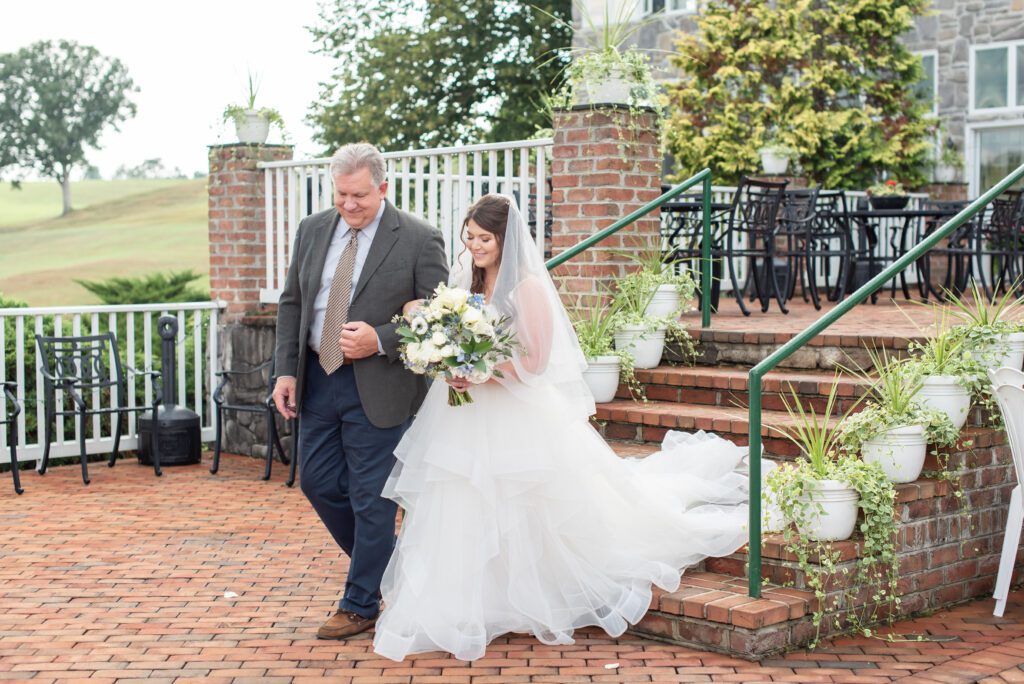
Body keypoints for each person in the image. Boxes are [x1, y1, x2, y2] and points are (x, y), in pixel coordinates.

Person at [372, 194, 753, 662]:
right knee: (462, 497)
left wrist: (482, 369)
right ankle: (471, 597)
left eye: (484, 238)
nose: (474, 246)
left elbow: (535, 362)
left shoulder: (528, 286)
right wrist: (447, 361)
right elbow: (441, 327)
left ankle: (528, 593)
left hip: (515, 411)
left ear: (506, 238)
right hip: (464, 413)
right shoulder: (465, 283)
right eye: (468, 237)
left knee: (523, 500)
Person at [272, 143, 449, 640]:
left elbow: (439, 316)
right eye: (342, 194)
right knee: (319, 483)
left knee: (373, 499)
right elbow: (293, 303)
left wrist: (381, 340)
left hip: (382, 385)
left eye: (360, 196)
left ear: (383, 187)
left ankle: (361, 601)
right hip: (316, 378)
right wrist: (285, 371)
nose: (349, 205)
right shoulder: (312, 230)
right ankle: (394, 570)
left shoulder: (418, 238)